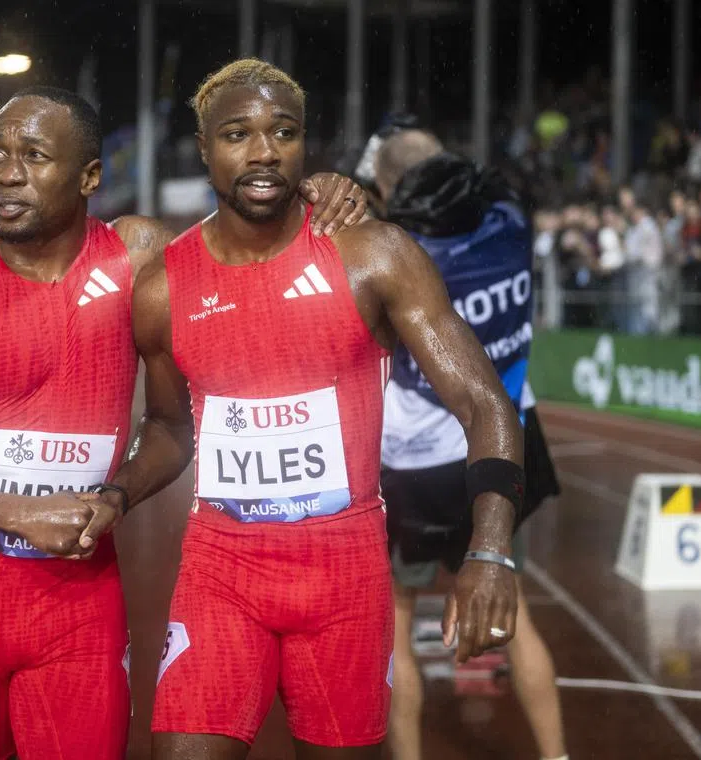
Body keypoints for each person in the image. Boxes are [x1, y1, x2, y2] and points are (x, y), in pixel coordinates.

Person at [0, 85, 367, 759]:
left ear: (90, 177)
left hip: (80, 607)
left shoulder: (137, 256)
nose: (6, 174)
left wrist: (323, 192)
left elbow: (240, 250)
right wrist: (18, 514)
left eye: (34, 155)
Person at [135, 59, 521, 759]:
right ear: (203, 148)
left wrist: (490, 549)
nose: (263, 151)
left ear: (304, 143)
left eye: (283, 132)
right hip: (221, 568)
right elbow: (167, 427)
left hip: (344, 574)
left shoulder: (373, 255)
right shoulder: (164, 287)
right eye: (237, 134)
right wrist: (112, 493)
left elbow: (485, 402)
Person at [370, 129, 567, 760]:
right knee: (517, 616)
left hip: (414, 464)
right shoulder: (512, 226)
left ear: (391, 188)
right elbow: (497, 186)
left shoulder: (399, 253)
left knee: (396, 623)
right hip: (500, 451)